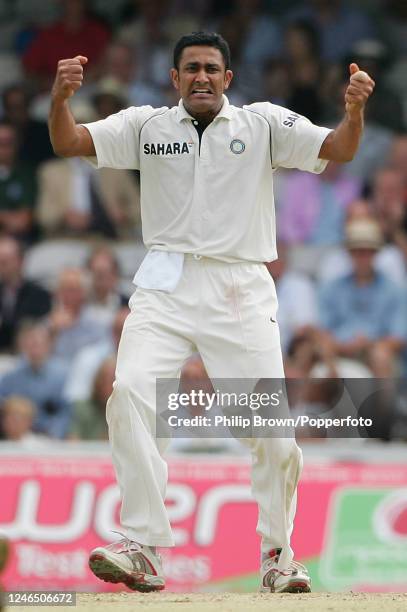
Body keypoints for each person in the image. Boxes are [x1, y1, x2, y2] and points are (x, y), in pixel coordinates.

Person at [48, 31, 374, 594]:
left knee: (271, 432)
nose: (202, 76)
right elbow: (71, 142)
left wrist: (354, 111)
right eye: (191, 68)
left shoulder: (265, 124)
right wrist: (58, 101)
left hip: (239, 285)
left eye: (212, 68)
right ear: (174, 79)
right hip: (166, 280)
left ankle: (278, 556)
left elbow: (339, 150)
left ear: (228, 78)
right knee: (129, 393)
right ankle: (144, 547)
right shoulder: (146, 125)